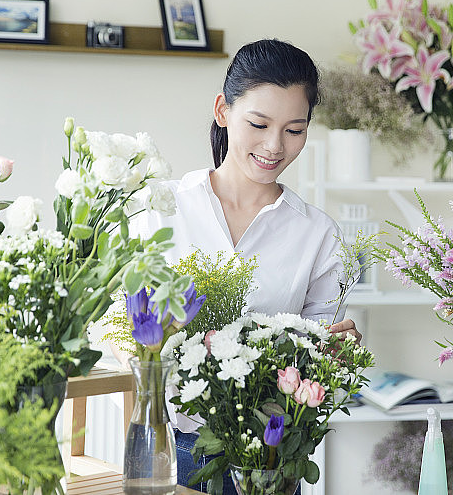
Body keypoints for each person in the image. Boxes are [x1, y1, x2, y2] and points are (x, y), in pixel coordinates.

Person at [129, 39, 362, 494]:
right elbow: (117, 328)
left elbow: (313, 363)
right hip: (168, 447)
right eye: (258, 124)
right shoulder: (160, 209)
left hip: (269, 462)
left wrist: (336, 354)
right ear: (223, 110)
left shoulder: (318, 234)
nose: (274, 146)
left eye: (294, 130)